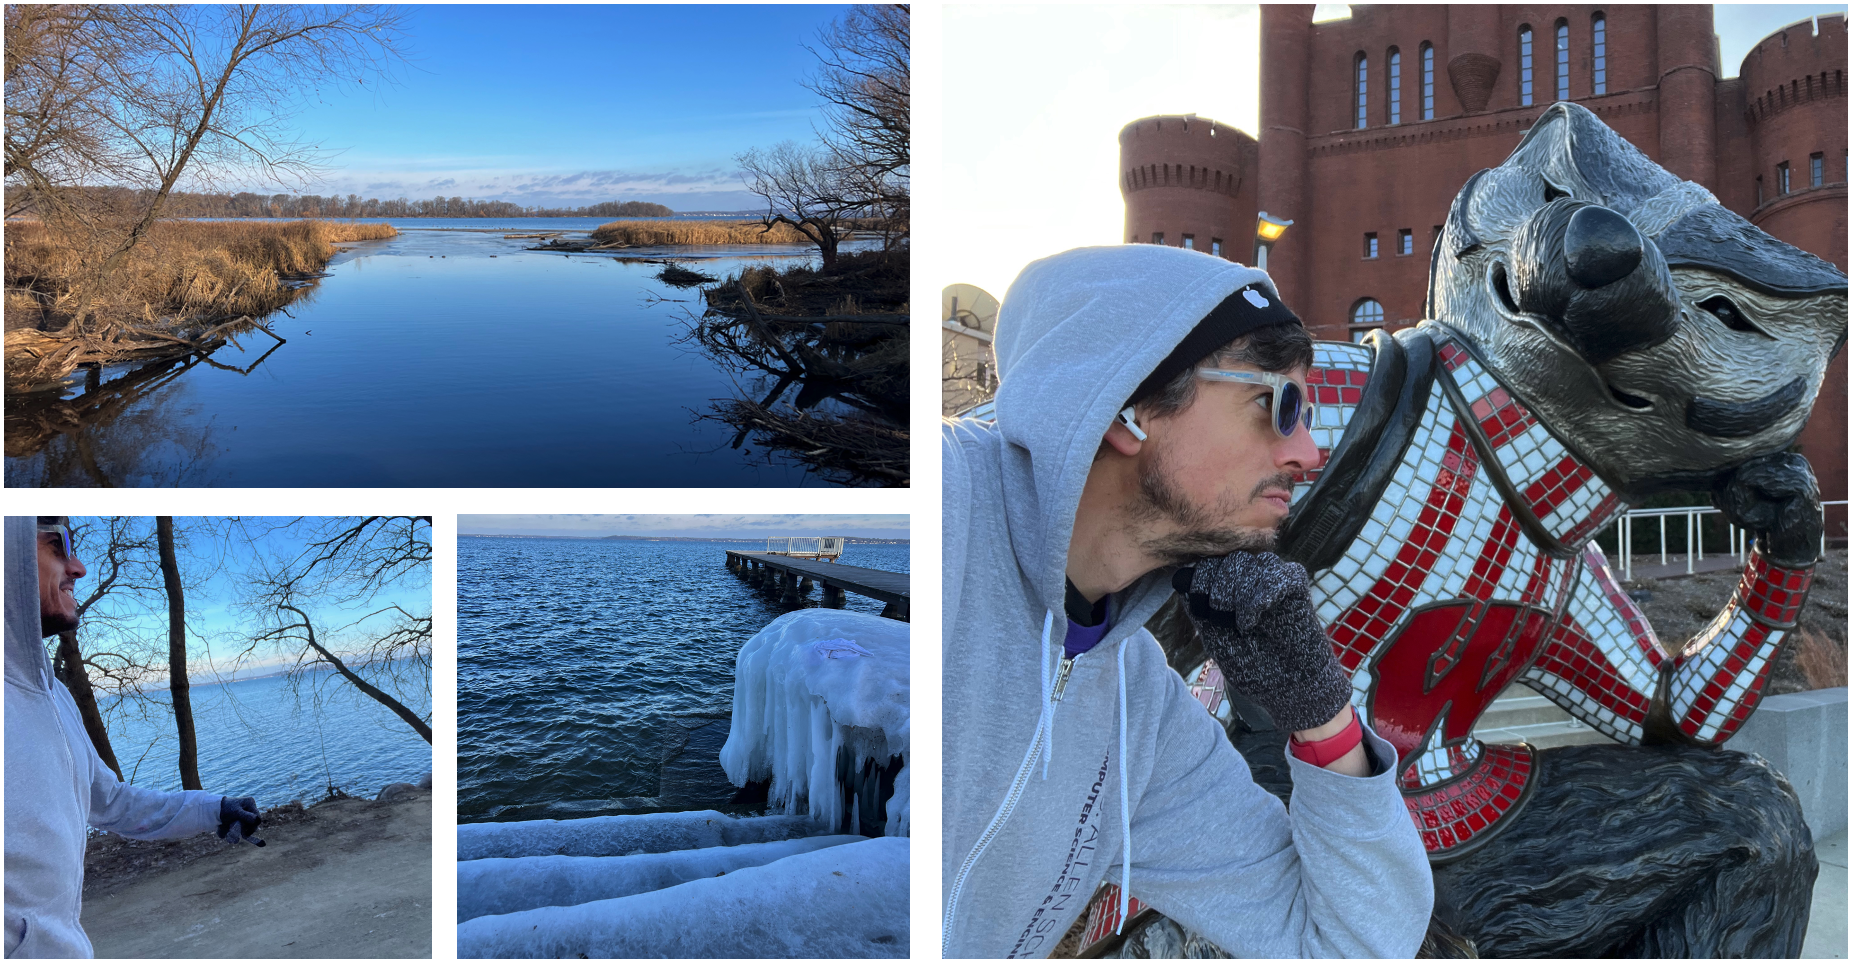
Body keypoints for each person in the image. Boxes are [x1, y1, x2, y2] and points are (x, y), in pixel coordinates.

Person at [942, 245, 1432, 957]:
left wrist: (1323, 719)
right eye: (1279, 404)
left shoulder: (1140, 714)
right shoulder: (943, 505)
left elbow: (1353, 944)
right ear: (1131, 404)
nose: (1308, 453)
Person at [4, 516, 262, 959]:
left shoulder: (55, 695)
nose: (79, 567)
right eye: (58, 544)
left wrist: (211, 810)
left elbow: (111, 802)